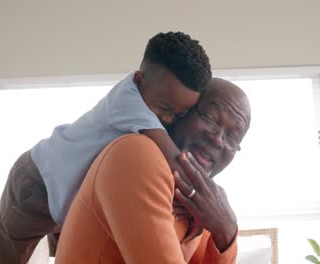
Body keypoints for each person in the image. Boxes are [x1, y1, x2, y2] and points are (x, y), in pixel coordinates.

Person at [0, 31, 212, 263]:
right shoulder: (128, 101)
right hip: (37, 183)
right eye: (164, 108)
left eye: (179, 115)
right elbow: (176, 161)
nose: (167, 120)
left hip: (71, 195)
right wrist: (207, 208)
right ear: (138, 80)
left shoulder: (152, 101)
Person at [55, 78, 251, 263]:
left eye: (232, 137)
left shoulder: (201, 202)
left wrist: (226, 231)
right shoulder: (136, 154)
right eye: (209, 118)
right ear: (181, 113)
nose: (217, 139)